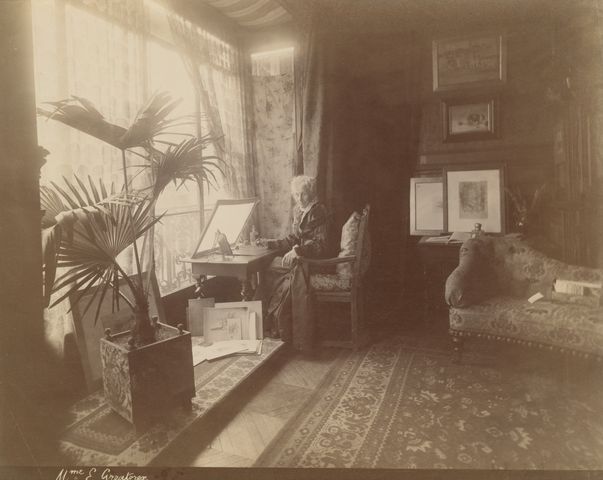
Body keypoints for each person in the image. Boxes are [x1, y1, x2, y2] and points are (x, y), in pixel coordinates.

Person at [263, 175, 330, 351]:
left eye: (303, 194)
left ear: (311, 193)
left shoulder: (318, 211)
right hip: (302, 258)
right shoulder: (299, 211)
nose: (299, 199)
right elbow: (294, 238)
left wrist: (298, 251)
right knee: (271, 266)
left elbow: (321, 246)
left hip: (316, 261)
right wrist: (270, 243)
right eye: (296, 195)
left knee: (275, 269)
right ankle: (271, 322)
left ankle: (282, 327)